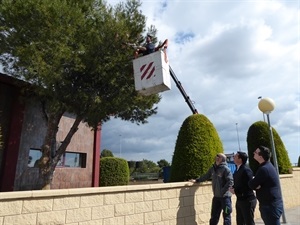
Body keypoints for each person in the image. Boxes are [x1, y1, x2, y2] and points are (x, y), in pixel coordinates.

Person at [190, 153, 233, 225]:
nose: (216, 158)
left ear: (222, 159)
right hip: (216, 197)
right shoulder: (213, 168)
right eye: (216, 156)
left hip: (225, 198)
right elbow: (206, 176)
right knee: (214, 216)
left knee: (226, 216)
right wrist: (197, 180)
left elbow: (230, 182)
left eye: (218, 157)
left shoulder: (226, 169)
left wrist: (222, 191)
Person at [248, 146, 283, 225]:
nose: (253, 153)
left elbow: (251, 184)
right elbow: (255, 184)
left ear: (260, 156)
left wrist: (256, 185)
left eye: (256, 152)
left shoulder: (264, 169)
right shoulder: (268, 166)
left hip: (270, 206)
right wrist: (257, 185)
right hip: (272, 205)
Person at [229, 151, 257, 225]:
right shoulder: (237, 170)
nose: (233, 157)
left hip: (247, 200)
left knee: (249, 222)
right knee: (240, 221)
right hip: (240, 200)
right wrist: (233, 188)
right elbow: (238, 183)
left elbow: (249, 185)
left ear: (240, 159)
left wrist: (235, 191)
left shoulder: (246, 170)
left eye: (235, 156)